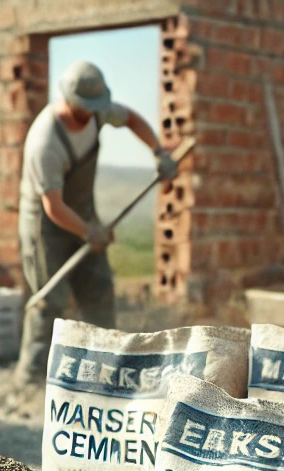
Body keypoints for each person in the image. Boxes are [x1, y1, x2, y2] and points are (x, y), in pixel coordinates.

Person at [15, 60, 179, 383]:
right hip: (46, 225)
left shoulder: (98, 112)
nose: (91, 113)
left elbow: (131, 119)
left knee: (99, 288)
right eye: (85, 108)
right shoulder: (45, 142)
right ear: (70, 100)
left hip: (83, 212)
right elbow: (53, 206)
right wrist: (90, 231)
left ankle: (105, 371)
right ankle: (33, 377)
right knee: (49, 299)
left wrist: (158, 152)